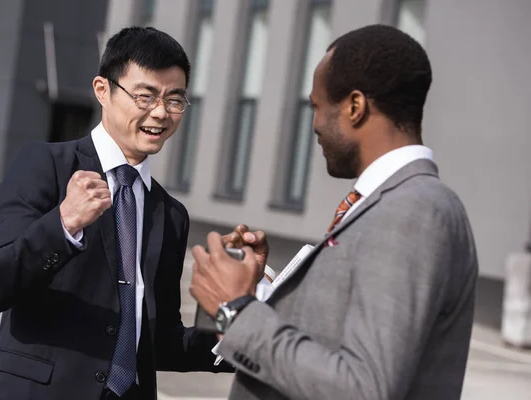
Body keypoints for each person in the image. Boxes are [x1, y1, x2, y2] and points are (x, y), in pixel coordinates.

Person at [190, 24, 478, 400]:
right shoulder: (386, 203)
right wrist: (258, 292)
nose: (314, 125)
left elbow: (364, 387)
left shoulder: (413, 211)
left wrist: (237, 311)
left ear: (354, 107)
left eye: (317, 106)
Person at [0, 26, 232, 400]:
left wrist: (240, 329)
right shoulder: (45, 165)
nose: (160, 113)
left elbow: (161, 340)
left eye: (174, 100)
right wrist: (63, 224)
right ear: (103, 91)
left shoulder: (170, 214)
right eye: (145, 96)